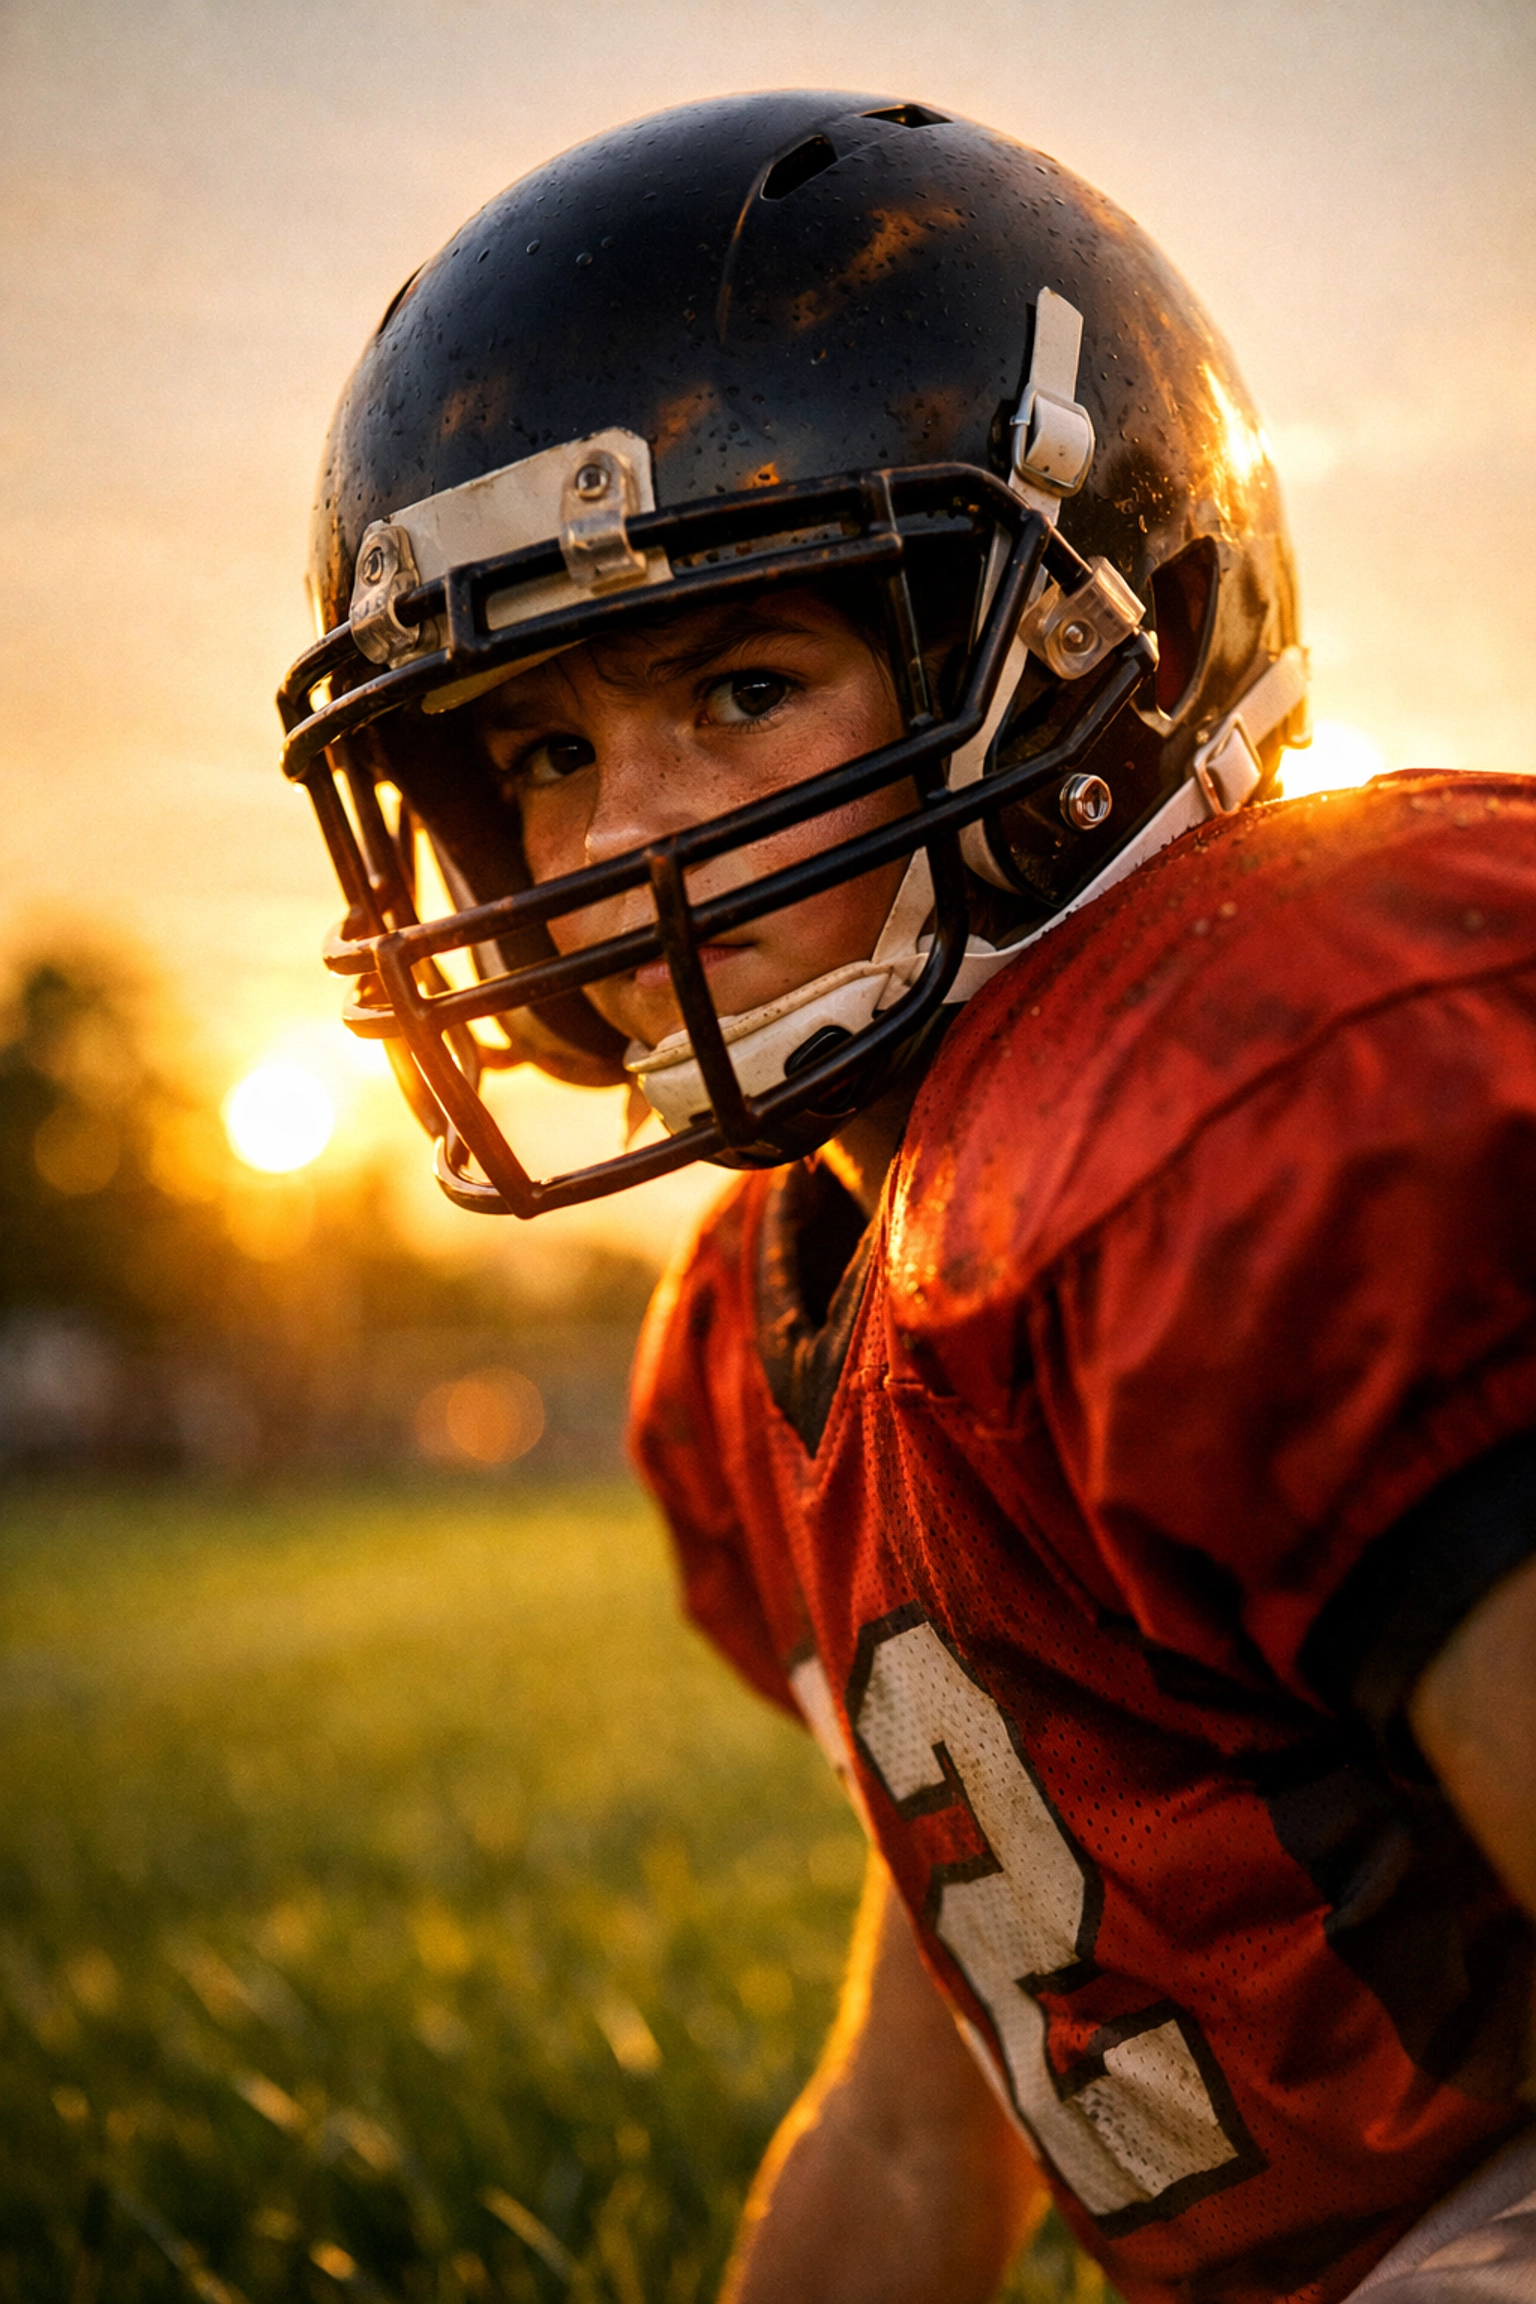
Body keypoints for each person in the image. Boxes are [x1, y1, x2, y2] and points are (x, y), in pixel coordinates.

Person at [278, 92, 1536, 2302]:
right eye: (545, 749)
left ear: (1090, 645)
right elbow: (914, 2125)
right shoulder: (814, 1307)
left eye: (740, 687)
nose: (607, 845)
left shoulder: (1256, 1121)